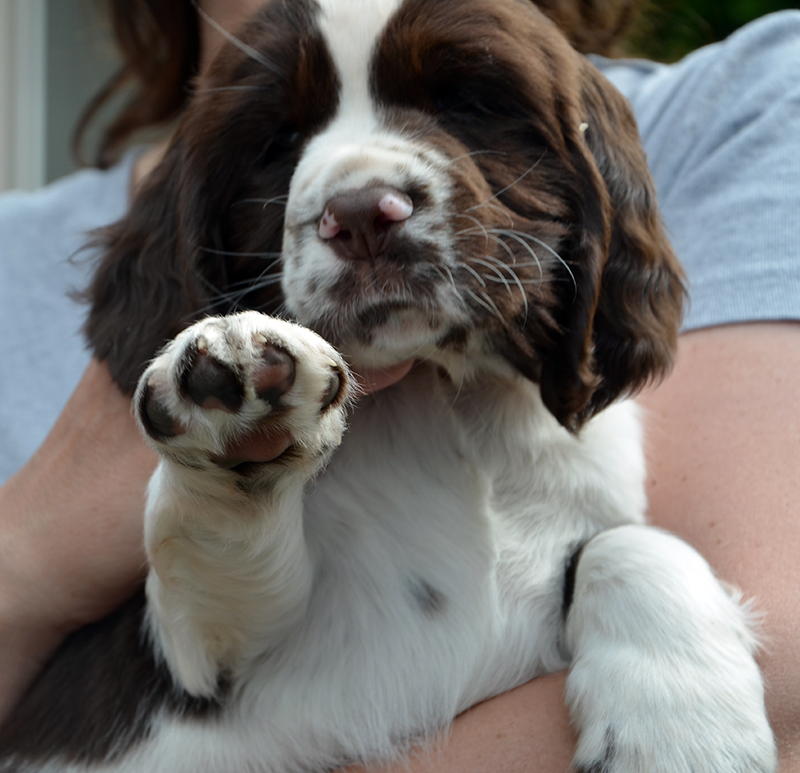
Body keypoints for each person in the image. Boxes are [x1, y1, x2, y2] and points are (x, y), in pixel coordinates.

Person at [0, 1, 798, 769]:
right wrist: (33, 544)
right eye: (281, 142)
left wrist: (647, 585)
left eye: (465, 104)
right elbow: (210, 634)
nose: (362, 205)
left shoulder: (745, 105)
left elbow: (786, 683)